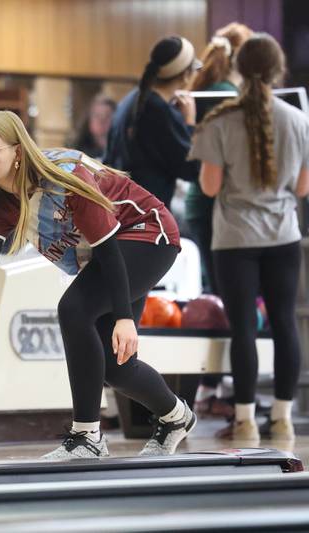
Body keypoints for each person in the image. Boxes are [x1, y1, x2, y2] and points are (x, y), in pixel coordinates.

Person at [0, 110, 195, 460]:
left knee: (74, 309)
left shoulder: (65, 179)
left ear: (17, 152)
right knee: (116, 368)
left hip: (148, 235)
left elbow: (108, 250)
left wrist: (124, 317)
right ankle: (176, 417)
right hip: (112, 254)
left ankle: (87, 436)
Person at [189, 33, 309, 442]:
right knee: (284, 324)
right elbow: (303, 188)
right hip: (283, 237)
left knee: (242, 328)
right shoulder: (298, 120)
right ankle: (282, 417)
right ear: (279, 70)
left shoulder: (219, 121)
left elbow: (208, 187)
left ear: (239, 70)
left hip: (235, 240)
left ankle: (243, 420)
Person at [186, 22, 252, 419]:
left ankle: (211, 385)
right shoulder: (228, 94)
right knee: (230, 299)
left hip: (202, 201)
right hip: (215, 202)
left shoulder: (210, 88)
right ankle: (219, 387)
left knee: (218, 294)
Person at [105, 36, 201, 209]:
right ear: (186, 75)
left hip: (121, 207)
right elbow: (191, 168)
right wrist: (189, 123)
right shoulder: (160, 112)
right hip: (148, 215)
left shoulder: (131, 100)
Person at [69, 95, 116, 161]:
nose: (102, 120)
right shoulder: (77, 153)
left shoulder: (122, 151)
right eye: (97, 116)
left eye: (107, 115)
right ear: (88, 121)